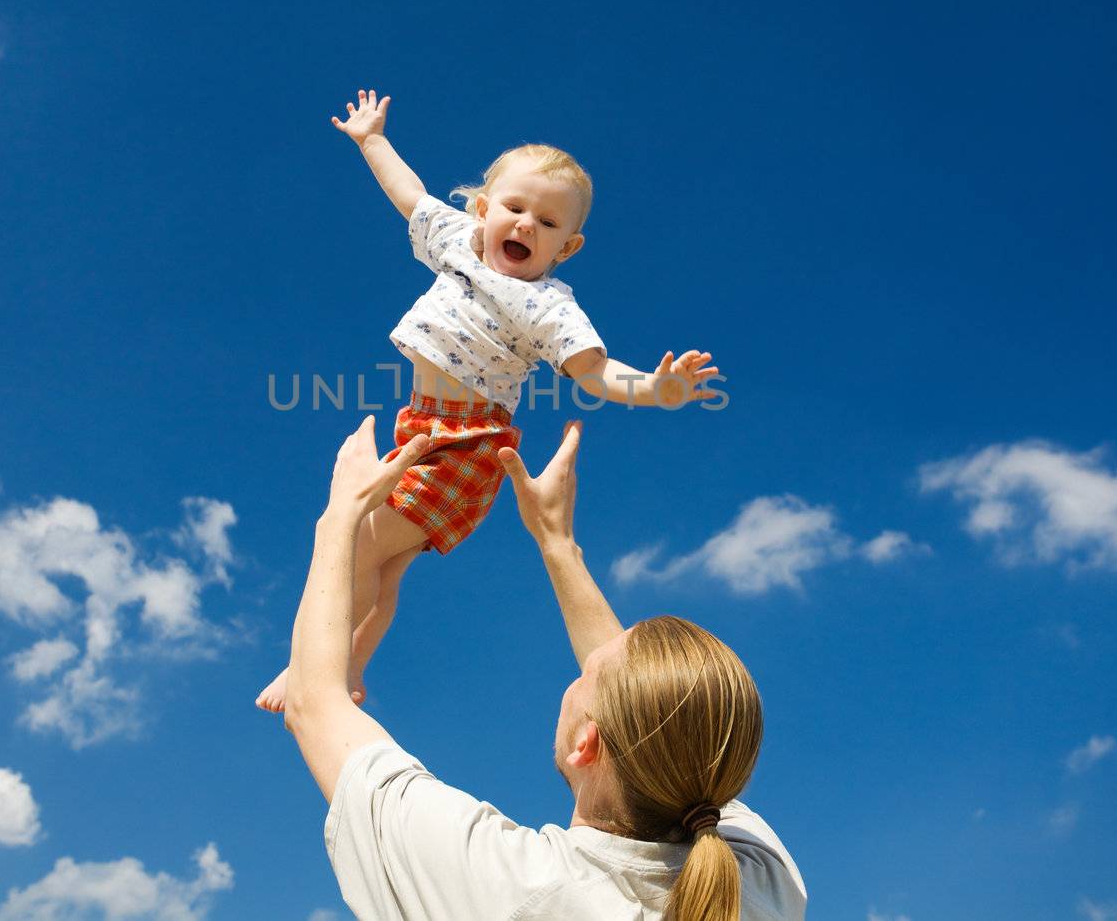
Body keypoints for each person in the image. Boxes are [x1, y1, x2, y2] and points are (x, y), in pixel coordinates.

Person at [256, 90, 722, 713]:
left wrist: (655, 390)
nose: (527, 224)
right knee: (387, 568)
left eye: (549, 224)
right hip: (422, 429)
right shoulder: (456, 240)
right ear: (482, 209)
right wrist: (372, 141)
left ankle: (311, 670)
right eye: (515, 207)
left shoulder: (549, 305)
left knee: (361, 542)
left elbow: (594, 370)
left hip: (468, 448)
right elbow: (409, 196)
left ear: (567, 248)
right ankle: (353, 669)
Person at [282, 417, 807, 920]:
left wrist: (342, 515)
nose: (578, 670)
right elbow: (661, 724)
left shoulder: (511, 890)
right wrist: (556, 542)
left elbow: (314, 703)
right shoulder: (762, 885)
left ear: (587, 743)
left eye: (582, 676)